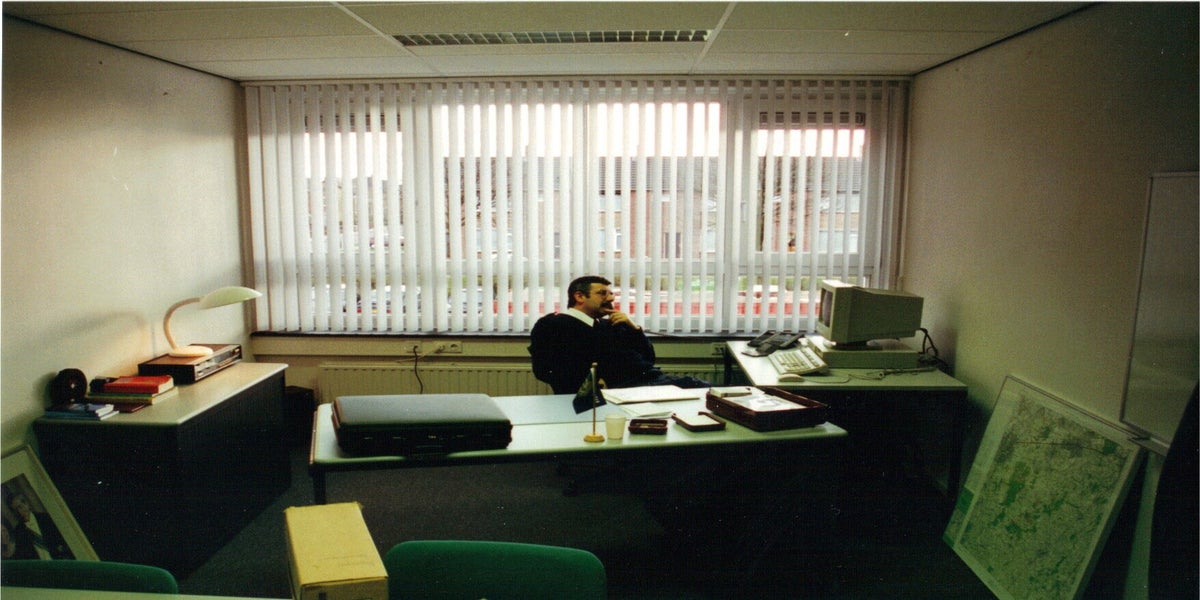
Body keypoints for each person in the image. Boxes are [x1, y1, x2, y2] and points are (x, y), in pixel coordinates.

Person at [529, 275, 709, 394]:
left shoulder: (611, 324)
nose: (611, 298)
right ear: (579, 297)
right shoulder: (553, 325)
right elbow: (544, 370)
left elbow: (648, 359)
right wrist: (590, 384)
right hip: (622, 390)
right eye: (602, 293)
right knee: (707, 394)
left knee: (711, 392)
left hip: (649, 382)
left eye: (611, 294)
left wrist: (634, 329)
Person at [7, 492, 71, 559]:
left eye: (20, 506)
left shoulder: (45, 518)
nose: (20, 511)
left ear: (26, 503)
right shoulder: (18, 532)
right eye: (16, 509)